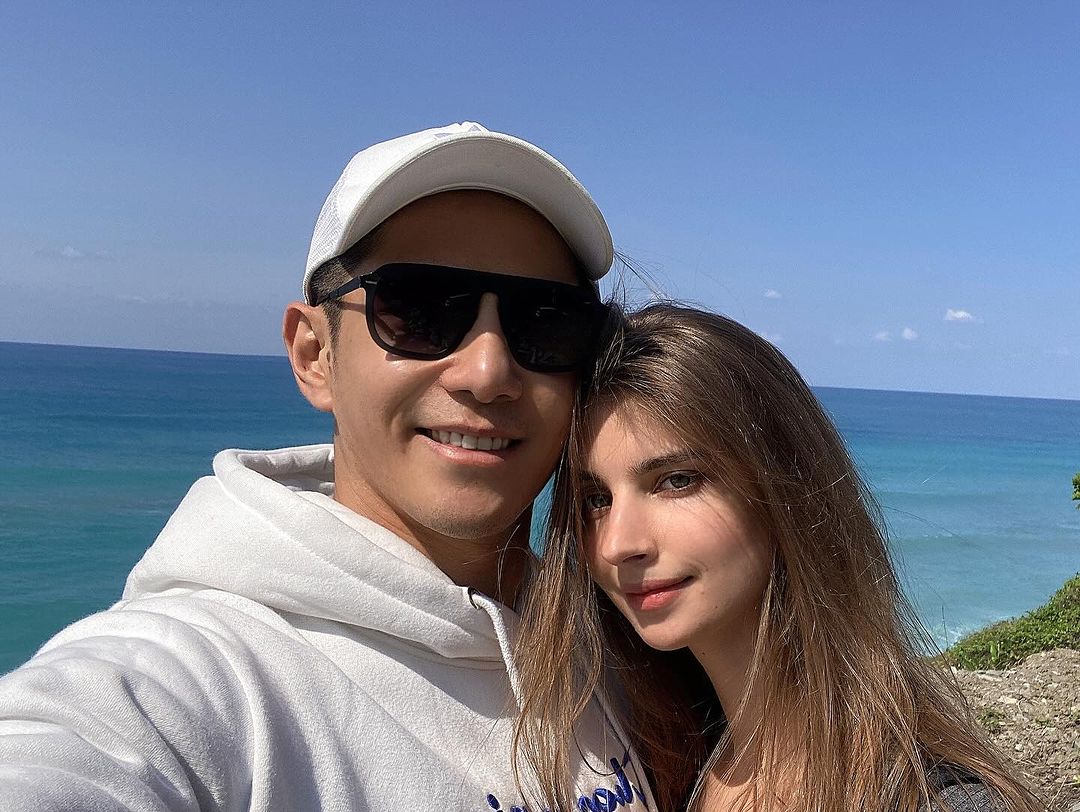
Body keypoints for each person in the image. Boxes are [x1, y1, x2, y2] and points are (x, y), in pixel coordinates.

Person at [0, 123, 654, 811]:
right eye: (420, 310)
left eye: (546, 321)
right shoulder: (203, 682)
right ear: (315, 355)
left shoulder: (623, 636)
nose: (488, 372)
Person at [513, 303, 1044, 811]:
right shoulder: (659, 768)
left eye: (676, 480)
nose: (617, 544)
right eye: (596, 500)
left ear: (785, 491)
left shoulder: (933, 800)